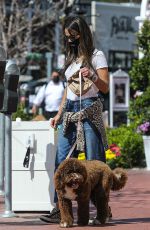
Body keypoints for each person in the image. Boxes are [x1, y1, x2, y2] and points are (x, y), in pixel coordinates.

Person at [40, 16, 109, 224]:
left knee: (94, 162)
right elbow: (67, 91)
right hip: (69, 112)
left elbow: (105, 88)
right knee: (61, 161)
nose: (70, 39)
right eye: (67, 36)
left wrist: (93, 76)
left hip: (89, 110)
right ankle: (60, 209)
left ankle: (103, 209)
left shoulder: (97, 56)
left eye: (73, 35)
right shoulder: (69, 58)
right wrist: (59, 114)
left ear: (82, 34)